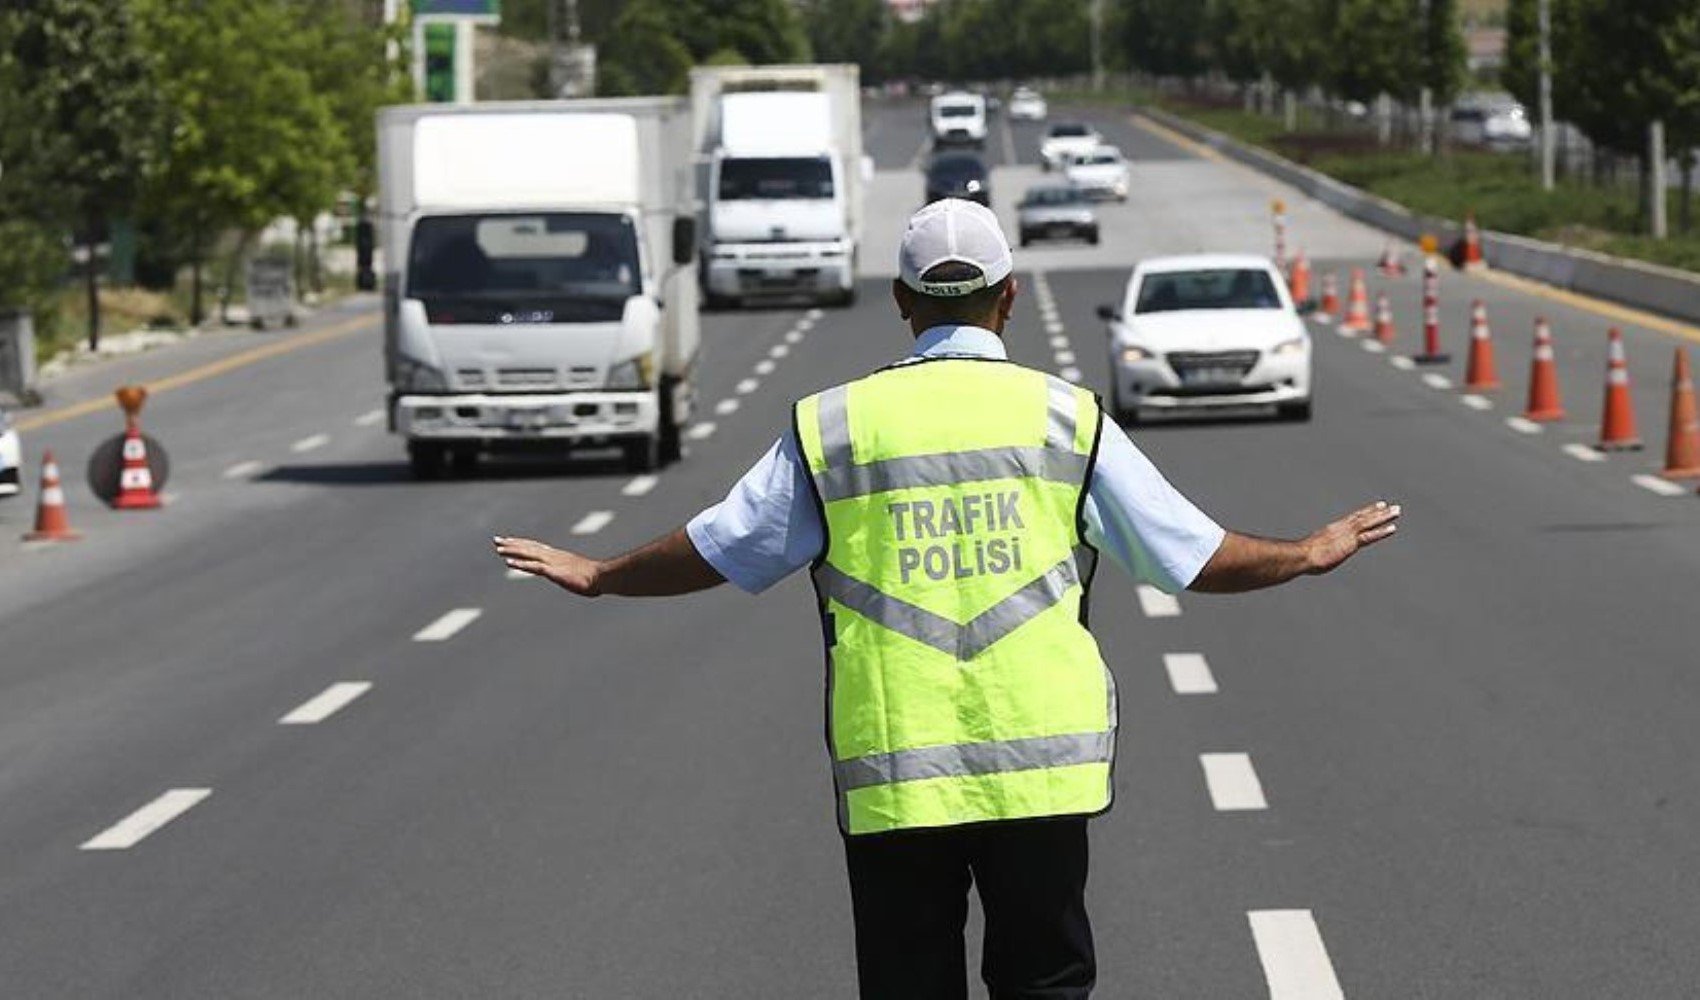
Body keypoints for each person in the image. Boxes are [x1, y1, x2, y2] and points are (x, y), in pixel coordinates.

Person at [494, 199, 1401, 999]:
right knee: (1045, 982)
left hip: (896, 772)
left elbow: (723, 547)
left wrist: (602, 573)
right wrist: (1307, 552)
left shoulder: (836, 425)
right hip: (1042, 772)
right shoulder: (1064, 417)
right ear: (1007, 299)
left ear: (901, 303)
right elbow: (1190, 557)